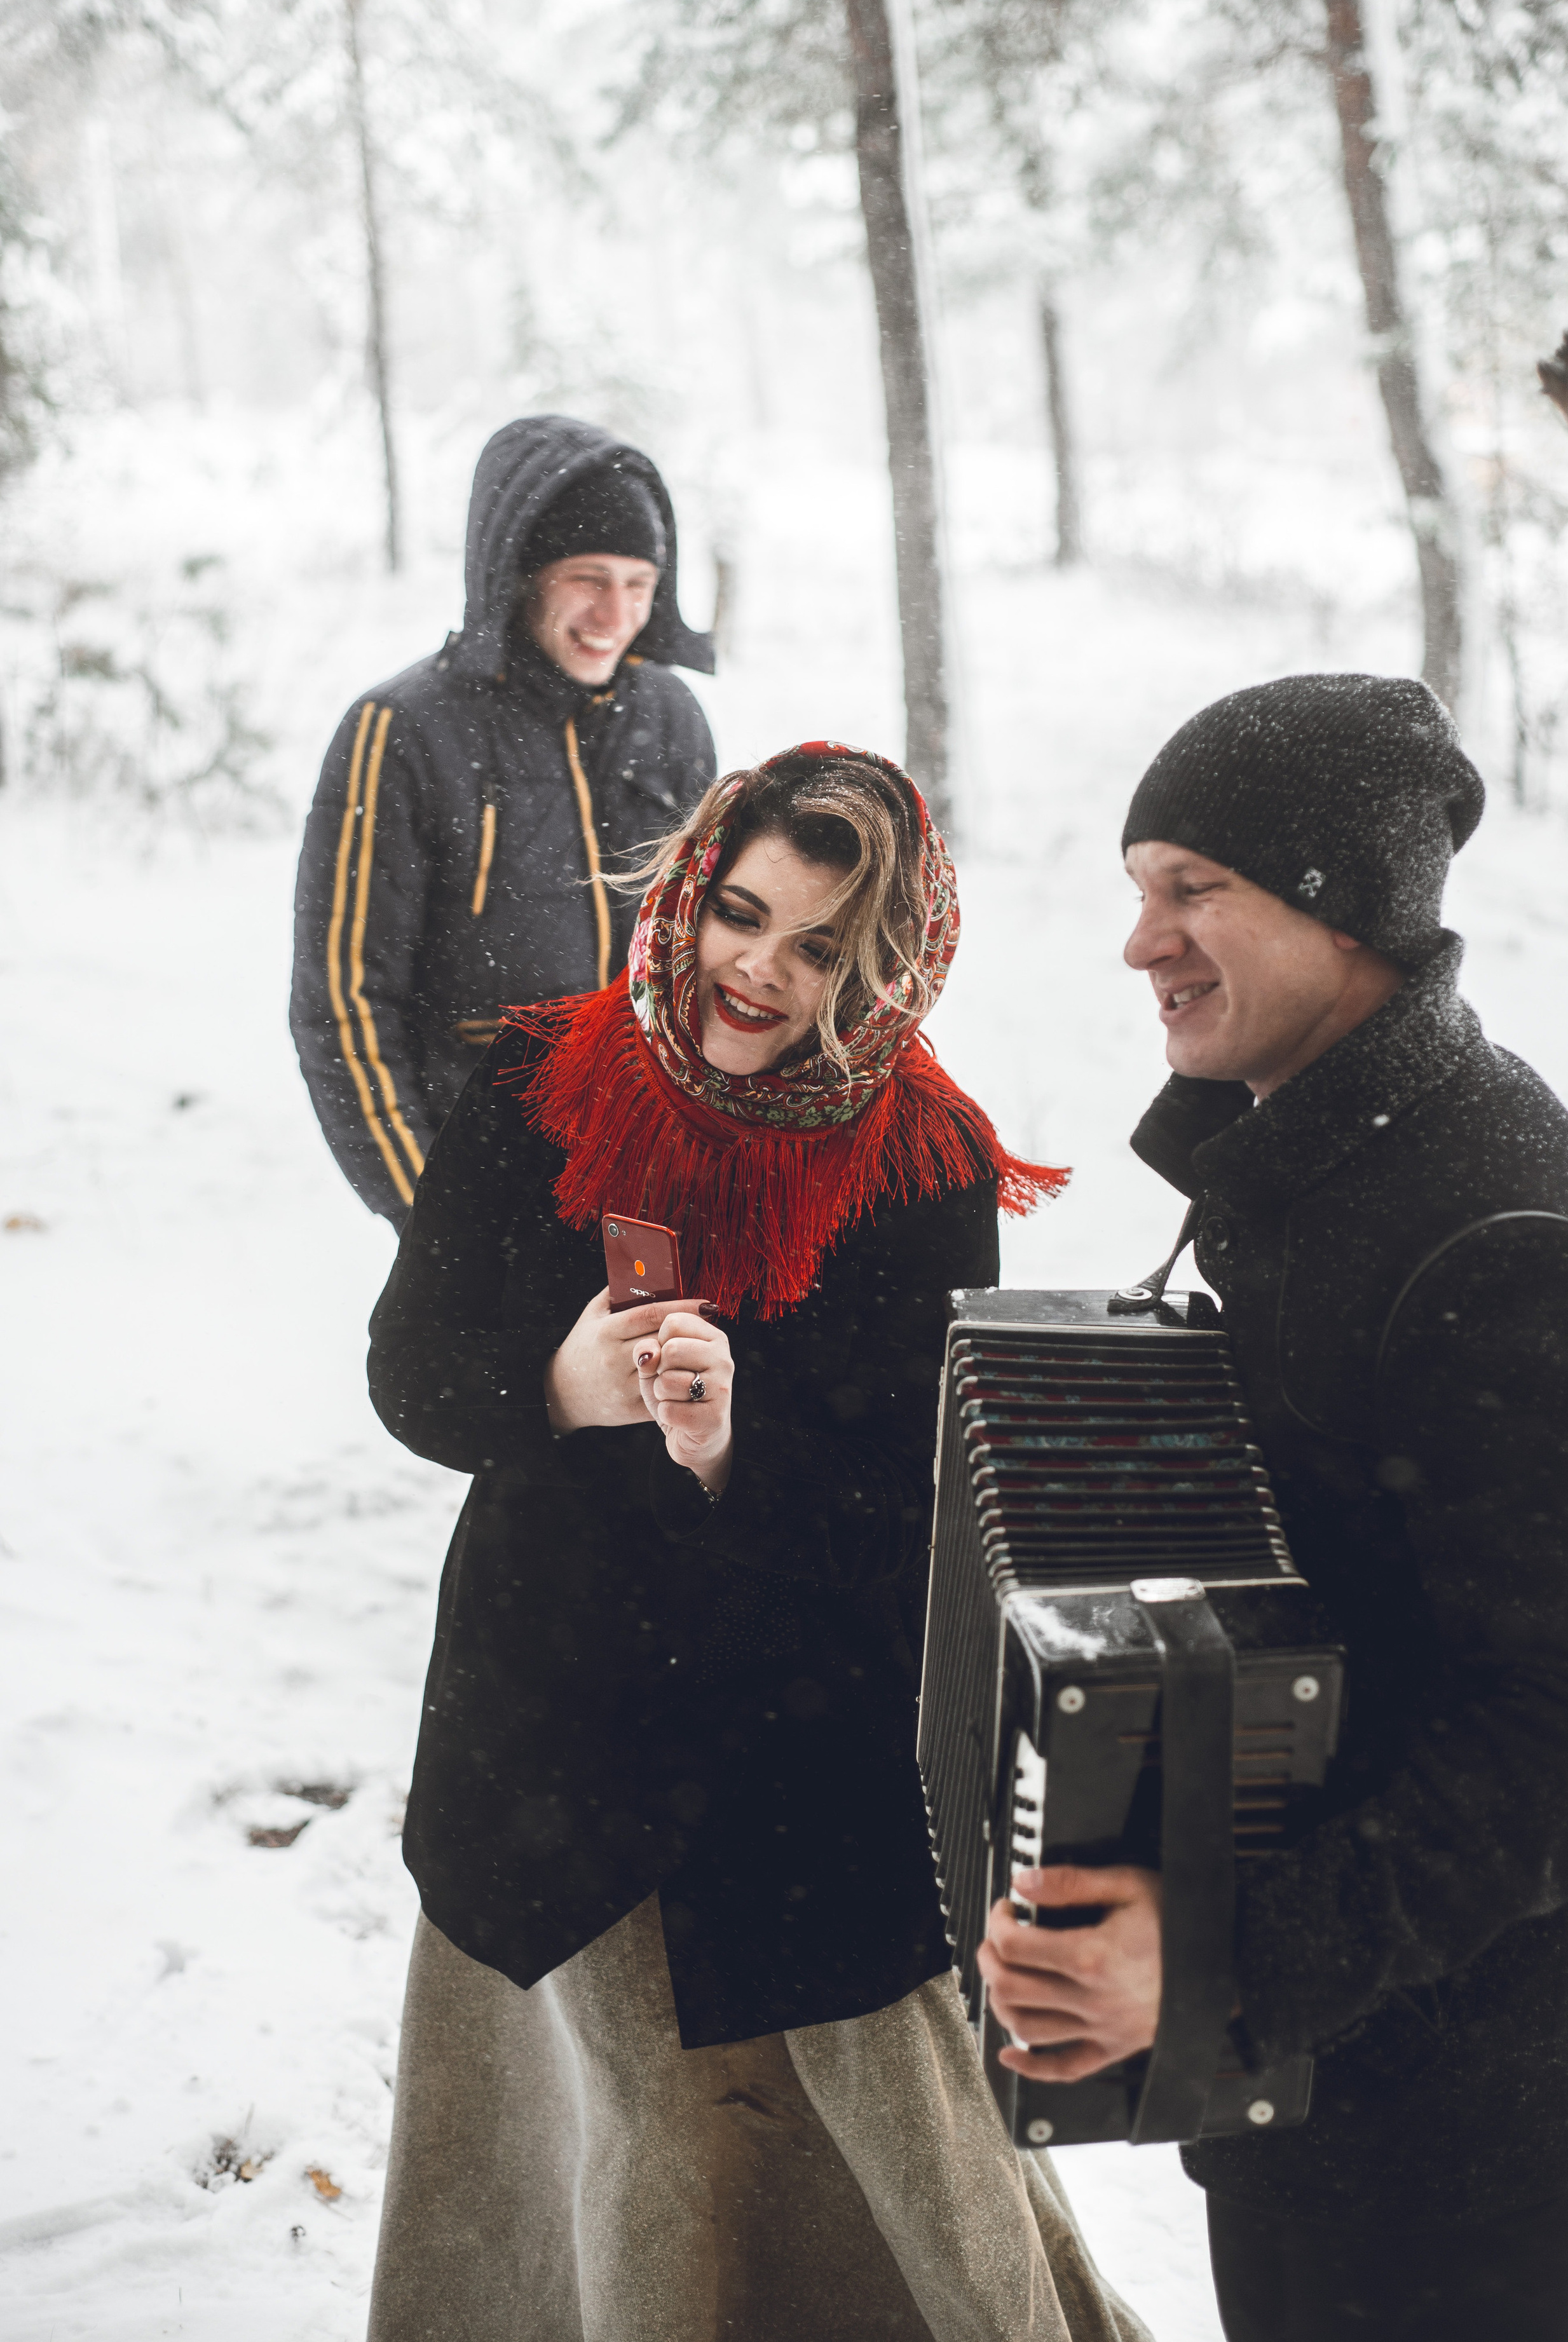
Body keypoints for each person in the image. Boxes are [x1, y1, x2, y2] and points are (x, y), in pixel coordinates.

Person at [361, 742, 1150, 2342]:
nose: (756, 970)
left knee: (866, 2138)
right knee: (603, 2130)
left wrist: (734, 1450)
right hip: (555, 1718)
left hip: (800, 1753)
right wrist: (560, 1384)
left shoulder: (924, 1152)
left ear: (883, 969)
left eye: (816, 950)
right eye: (740, 913)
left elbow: (915, 1497)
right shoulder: (538, 1076)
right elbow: (411, 1364)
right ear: (692, 885)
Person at [980, 672, 1568, 2341]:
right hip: (1317, 2081)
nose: (1142, 943)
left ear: (1347, 909)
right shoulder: (1315, 1154)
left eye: (1194, 888)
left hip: (1452, 2137)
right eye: (1139, 890)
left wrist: (1223, 1958)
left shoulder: (1498, 1238)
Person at [290, 413, 717, 1225]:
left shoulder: (670, 718)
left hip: (649, 1183)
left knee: (662, 1358)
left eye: (640, 585)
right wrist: (433, 1220)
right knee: (511, 1361)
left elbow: (704, 958)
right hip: (483, 1184)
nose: (614, 614)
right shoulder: (403, 730)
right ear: (523, 571)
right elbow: (342, 1004)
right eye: (588, 578)